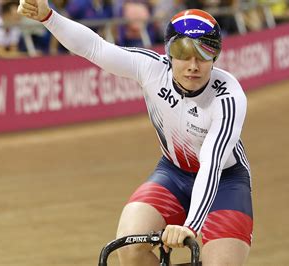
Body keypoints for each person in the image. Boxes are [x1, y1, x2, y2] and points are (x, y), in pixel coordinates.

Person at [18, 1, 253, 265]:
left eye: (203, 55)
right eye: (183, 54)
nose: (193, 66)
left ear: (216, 57)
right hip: (174, 174)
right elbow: (95, 48)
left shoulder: (228, 98)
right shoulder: (151, 68)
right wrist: (48, 17)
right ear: (168, 55)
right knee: (128, 249)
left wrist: (191, 226)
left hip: (225, 182)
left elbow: (211, 164)